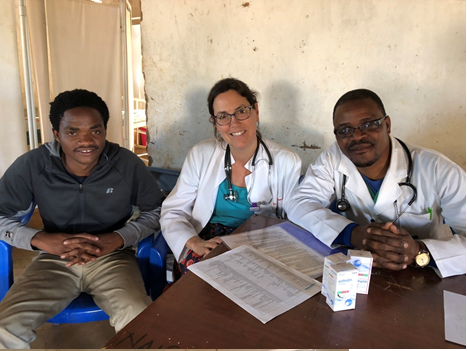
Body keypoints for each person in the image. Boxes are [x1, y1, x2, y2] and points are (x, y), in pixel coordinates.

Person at [0, 89, 163, 348]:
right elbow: (1, 217)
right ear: (56, 134)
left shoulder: (126, 164)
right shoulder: (33, 165)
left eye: (95, 131)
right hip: (54, 260)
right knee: (5, 326)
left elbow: (156, 211)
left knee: (138, 318)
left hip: (112, 257)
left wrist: (119, 238)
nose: (86, 141)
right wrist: (40, 240)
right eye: (72, 132)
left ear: (105, 131)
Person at [288, 88, 466, 278]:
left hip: (420, 276)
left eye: (368, 125)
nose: (357, 137)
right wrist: (353, 234)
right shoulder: (334, 157)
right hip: (356, 271)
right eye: (345, 130)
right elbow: (298, 202)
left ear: (387, 125)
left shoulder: (439, 169)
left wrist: (418, 252)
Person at [161, 78, 302, 276]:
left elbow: (293, 219)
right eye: (223, 116)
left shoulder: (286, 160)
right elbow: (173, 211)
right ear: (215, 123)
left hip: (261, 243)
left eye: (241, 111)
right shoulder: (200, 155)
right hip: (208, 242)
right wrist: (195, 243)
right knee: (204, 283)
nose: (233, 123)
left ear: (256, 111)